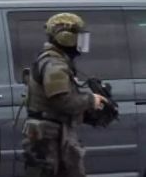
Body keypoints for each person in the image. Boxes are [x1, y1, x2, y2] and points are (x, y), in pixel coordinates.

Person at [22, 13, 107, 177]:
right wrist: (91, 100)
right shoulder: (55, 64)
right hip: (50, 140)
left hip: (54, 137)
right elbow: (62, 101)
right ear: (66, 38)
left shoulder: (57, 61)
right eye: (79, 37)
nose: (81, 43)